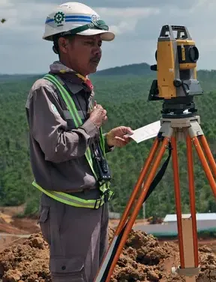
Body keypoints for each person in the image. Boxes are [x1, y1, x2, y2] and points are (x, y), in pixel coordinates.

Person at [25, 2, 133, 281]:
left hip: (92, 209)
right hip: (69, 212)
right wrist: (91, 126)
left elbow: (76, 147)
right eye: (89, 42)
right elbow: (56, 148)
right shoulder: (45, 90)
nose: (97, 49)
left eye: (99, 42)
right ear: (64, 43)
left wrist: (105, 141)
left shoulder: (79, 87)